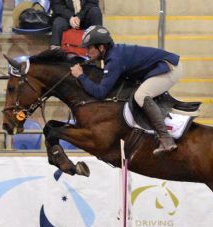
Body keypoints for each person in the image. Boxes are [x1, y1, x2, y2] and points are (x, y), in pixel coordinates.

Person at [69, 26, 189, 155]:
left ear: (101, 47)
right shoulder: (113, 55)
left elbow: (100, 93)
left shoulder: (114, 59)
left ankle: (166, 138)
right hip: (163, 67)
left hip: (170, 68)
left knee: (141, 96)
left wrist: (80, 76)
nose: (87, 52)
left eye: (89, 48)